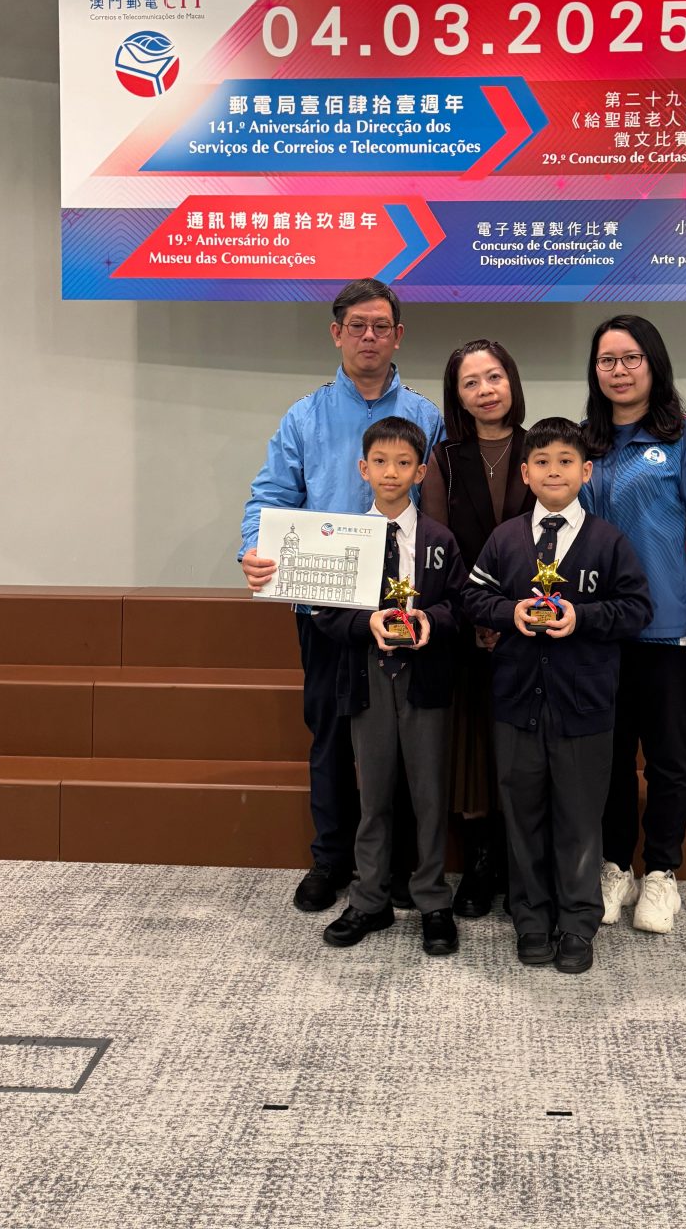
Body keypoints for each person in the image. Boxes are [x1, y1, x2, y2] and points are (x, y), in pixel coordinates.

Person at [239, 279, 444, 914]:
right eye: (357, 326)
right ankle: (330, 859)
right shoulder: (304, 416)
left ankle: (399, 867)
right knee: (331, 733)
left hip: (407, 607)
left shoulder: (427, 416)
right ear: (337, 333)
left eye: (381, 326)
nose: (368, 337)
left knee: (406, 739)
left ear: (398, 336)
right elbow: (270, 496)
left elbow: (441, 507)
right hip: (327, 606)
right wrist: (253, 550)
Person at [463, 417, 652, 975]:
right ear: (525, 473)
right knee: (522, 814)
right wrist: (510, 612)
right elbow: (474, 598)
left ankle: (576, 922)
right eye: (541, 462)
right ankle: (530, 917)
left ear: (586, 472)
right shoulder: (505, 539)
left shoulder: (608, 541)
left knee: (579, 817)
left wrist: (583, 617)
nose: (553, 471)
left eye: (566, 462)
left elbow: (637, 608)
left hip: (584, 707)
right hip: (516, 703)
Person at [581, 315, 686, 936]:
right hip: (599, 630)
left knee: (667, 758)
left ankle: (663, 872)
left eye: (631, 358)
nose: (618, 371)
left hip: (666, 631)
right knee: (610, 757)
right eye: (607, 361)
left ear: (653, 363)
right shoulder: (586, 442)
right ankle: (615, 865)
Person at [314, 418, 467, 957]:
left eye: (404, 463)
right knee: (373, 794)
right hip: (368, 679)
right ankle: (370, 898)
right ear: (363, 469)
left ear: (420, 473)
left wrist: (430, 621)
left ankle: (432, 900)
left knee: (428, 796)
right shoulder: (344, 538)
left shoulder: (440, 540)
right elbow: (326, 613)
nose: (391, 472)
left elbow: (460, 605)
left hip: (425, 683)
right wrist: (367, 623)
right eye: (380, 462)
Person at [420, 339, 532, 917]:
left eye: (494, 377)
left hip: (534, 623)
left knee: (524, 744)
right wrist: (480, 615)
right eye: (471, 382)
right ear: (457, 396)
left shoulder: (542, 446)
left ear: (512, 381)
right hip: (467, 624)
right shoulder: (443, 459)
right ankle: (483, 860)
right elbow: (440, 545)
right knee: (475, 744)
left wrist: (512, 615)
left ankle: (522, 864)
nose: (485, 390)